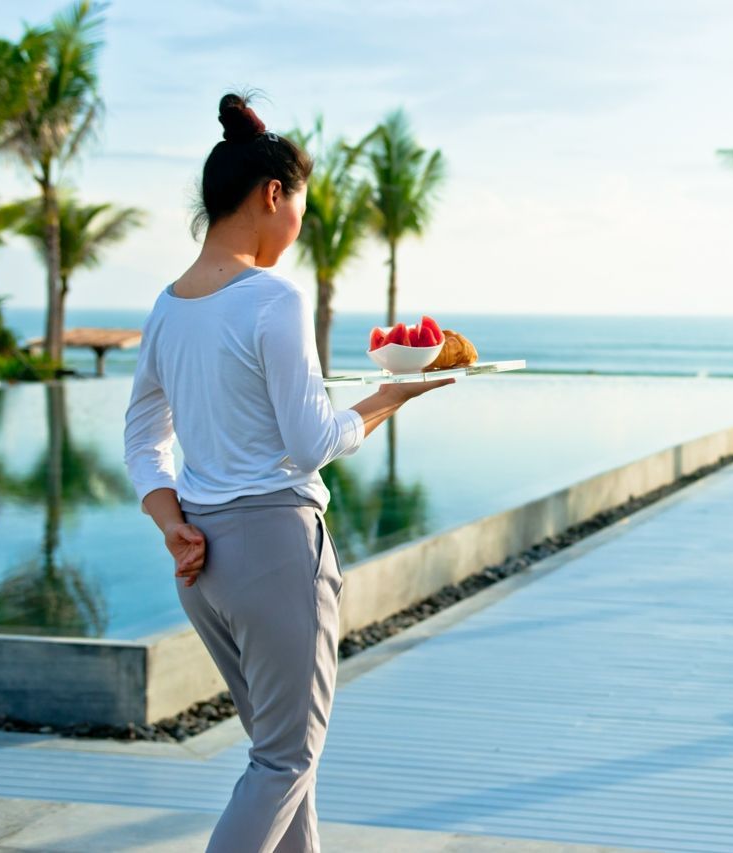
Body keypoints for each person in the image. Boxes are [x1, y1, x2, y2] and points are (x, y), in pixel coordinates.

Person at [123, 93, 451, 853]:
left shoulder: (169, 305)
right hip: (275, 551)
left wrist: (171, 523)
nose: (300, 222)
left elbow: (143, 437)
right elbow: (310, 443)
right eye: (301, 204)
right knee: (285, 760)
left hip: (203, 562)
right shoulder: (274, 297)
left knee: (283, 761)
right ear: (274, 194)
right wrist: (390, 397)